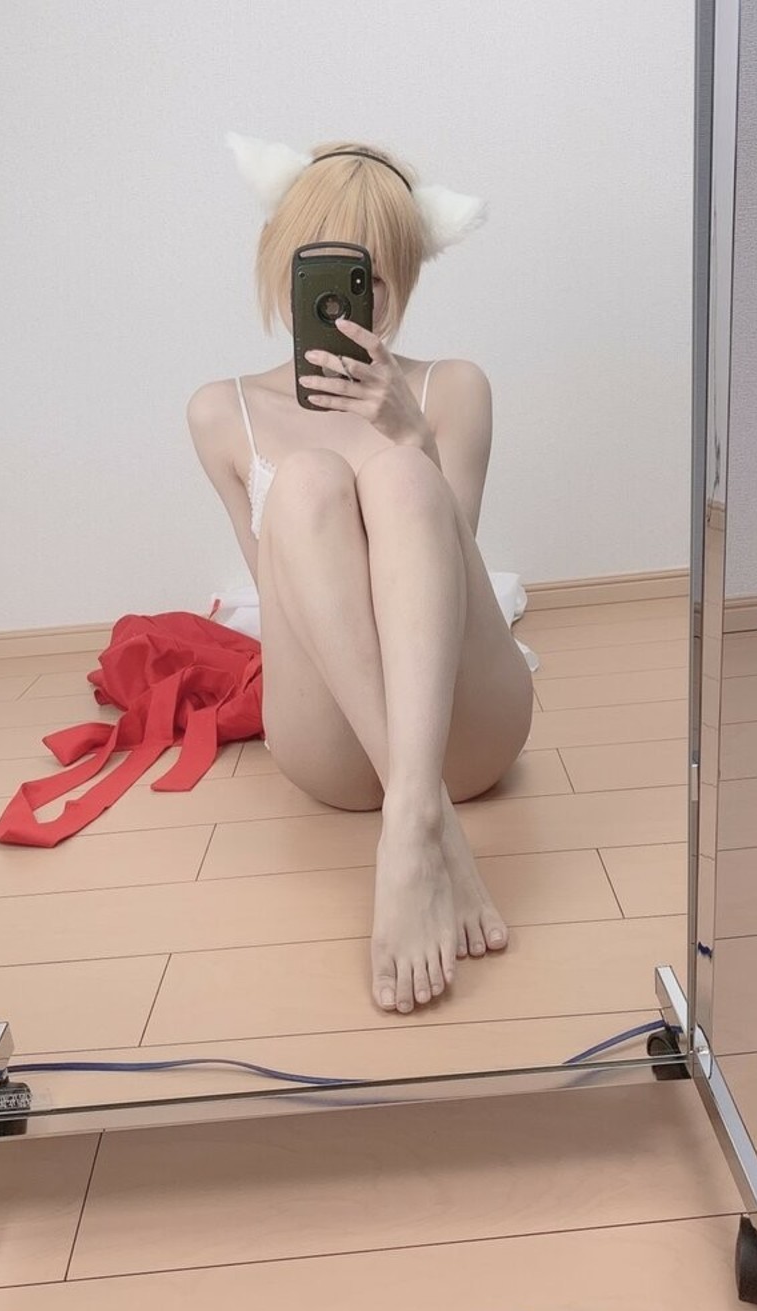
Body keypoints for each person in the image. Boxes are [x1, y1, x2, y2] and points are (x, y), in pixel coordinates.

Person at [186, 137, 534, 1017]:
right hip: (332, 746)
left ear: (404, 278)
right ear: (283, 265)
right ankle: (425, 823)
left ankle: (410, 823)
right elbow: (287, 608)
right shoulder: (221, 412)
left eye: (372, 278)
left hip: (463, 730)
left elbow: (451, 582)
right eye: (325, 271)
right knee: (305, 483)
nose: (350, 301)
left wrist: (410, 437)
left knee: (402, 476)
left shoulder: (454, 387)